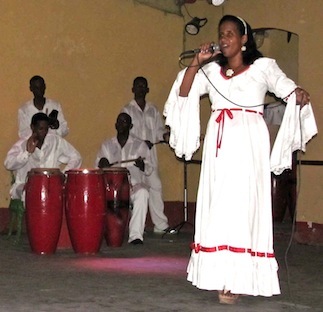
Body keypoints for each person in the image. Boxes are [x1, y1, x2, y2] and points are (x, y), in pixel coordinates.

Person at [164, 15, 317, 304]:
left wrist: (296, 93)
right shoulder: (211, 71)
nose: (224, 39)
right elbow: (184, 92)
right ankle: (221, 277)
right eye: (221, 34)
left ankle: (239, 279)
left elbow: (284, 87)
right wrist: (198, 60)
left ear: (244, 39)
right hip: (219, 145)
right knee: (219, 206)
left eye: (231, 34)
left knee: (243, 206)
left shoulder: (263, 67)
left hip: (248, 144)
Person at [121, 77, 171, 234]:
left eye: (143, 86)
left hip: (150, 157)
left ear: (147, 89)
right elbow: (125, 133)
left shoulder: (153, 110)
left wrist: (165, 136)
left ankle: (160, 225)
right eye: (138, 86)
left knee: (156, 186)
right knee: (137, 189)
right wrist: (142, 142)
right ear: (133, 89)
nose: (141, 88)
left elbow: (158, 130)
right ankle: (136, 228)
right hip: (134, 157)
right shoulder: (127, 109)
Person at [95, 113, 153, 245]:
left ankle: (135, 236)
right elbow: (98, 167)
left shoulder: (140, 145)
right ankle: (107, 233)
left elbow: (149, 169)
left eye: (124, 122)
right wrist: (102, 164)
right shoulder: (107, 145)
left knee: (143, 193)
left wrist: (143, 166)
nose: (121, 124)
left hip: (133, 186)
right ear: (115, 125)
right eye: (119, 121)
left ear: (131, 126)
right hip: (112, 188)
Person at [5, 113, 81, 201]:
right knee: (32, 190)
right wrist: (26, 153)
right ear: (33, 127)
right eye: (41, 129)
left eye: (46, 129)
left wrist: (63, 175)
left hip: (51, 186)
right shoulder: (22, 144)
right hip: (26, 186)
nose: (44, 133)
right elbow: (8, 164)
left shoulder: (55, 141)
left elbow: (76, 157)